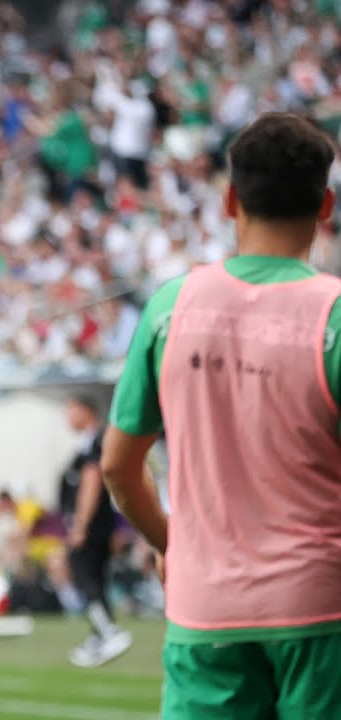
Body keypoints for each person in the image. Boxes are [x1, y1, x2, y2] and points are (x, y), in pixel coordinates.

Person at [101, 113, 341, 718]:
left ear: (230, 199)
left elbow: (117, 469)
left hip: (205, 607)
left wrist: (170, 545)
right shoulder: (334, 315)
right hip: (322, 609)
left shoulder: (169, 306)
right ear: (326, 205)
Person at [60, 395, 133, 667]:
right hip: (99, 526)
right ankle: (99, 636)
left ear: (87, 411)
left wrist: (80, 525)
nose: (67, 416)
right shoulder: (88, 444)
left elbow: (92, 482)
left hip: (92, 527)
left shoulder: (96, 443)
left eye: (71, 409)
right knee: (96, 580)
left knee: (85, 579)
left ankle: (108, 631)